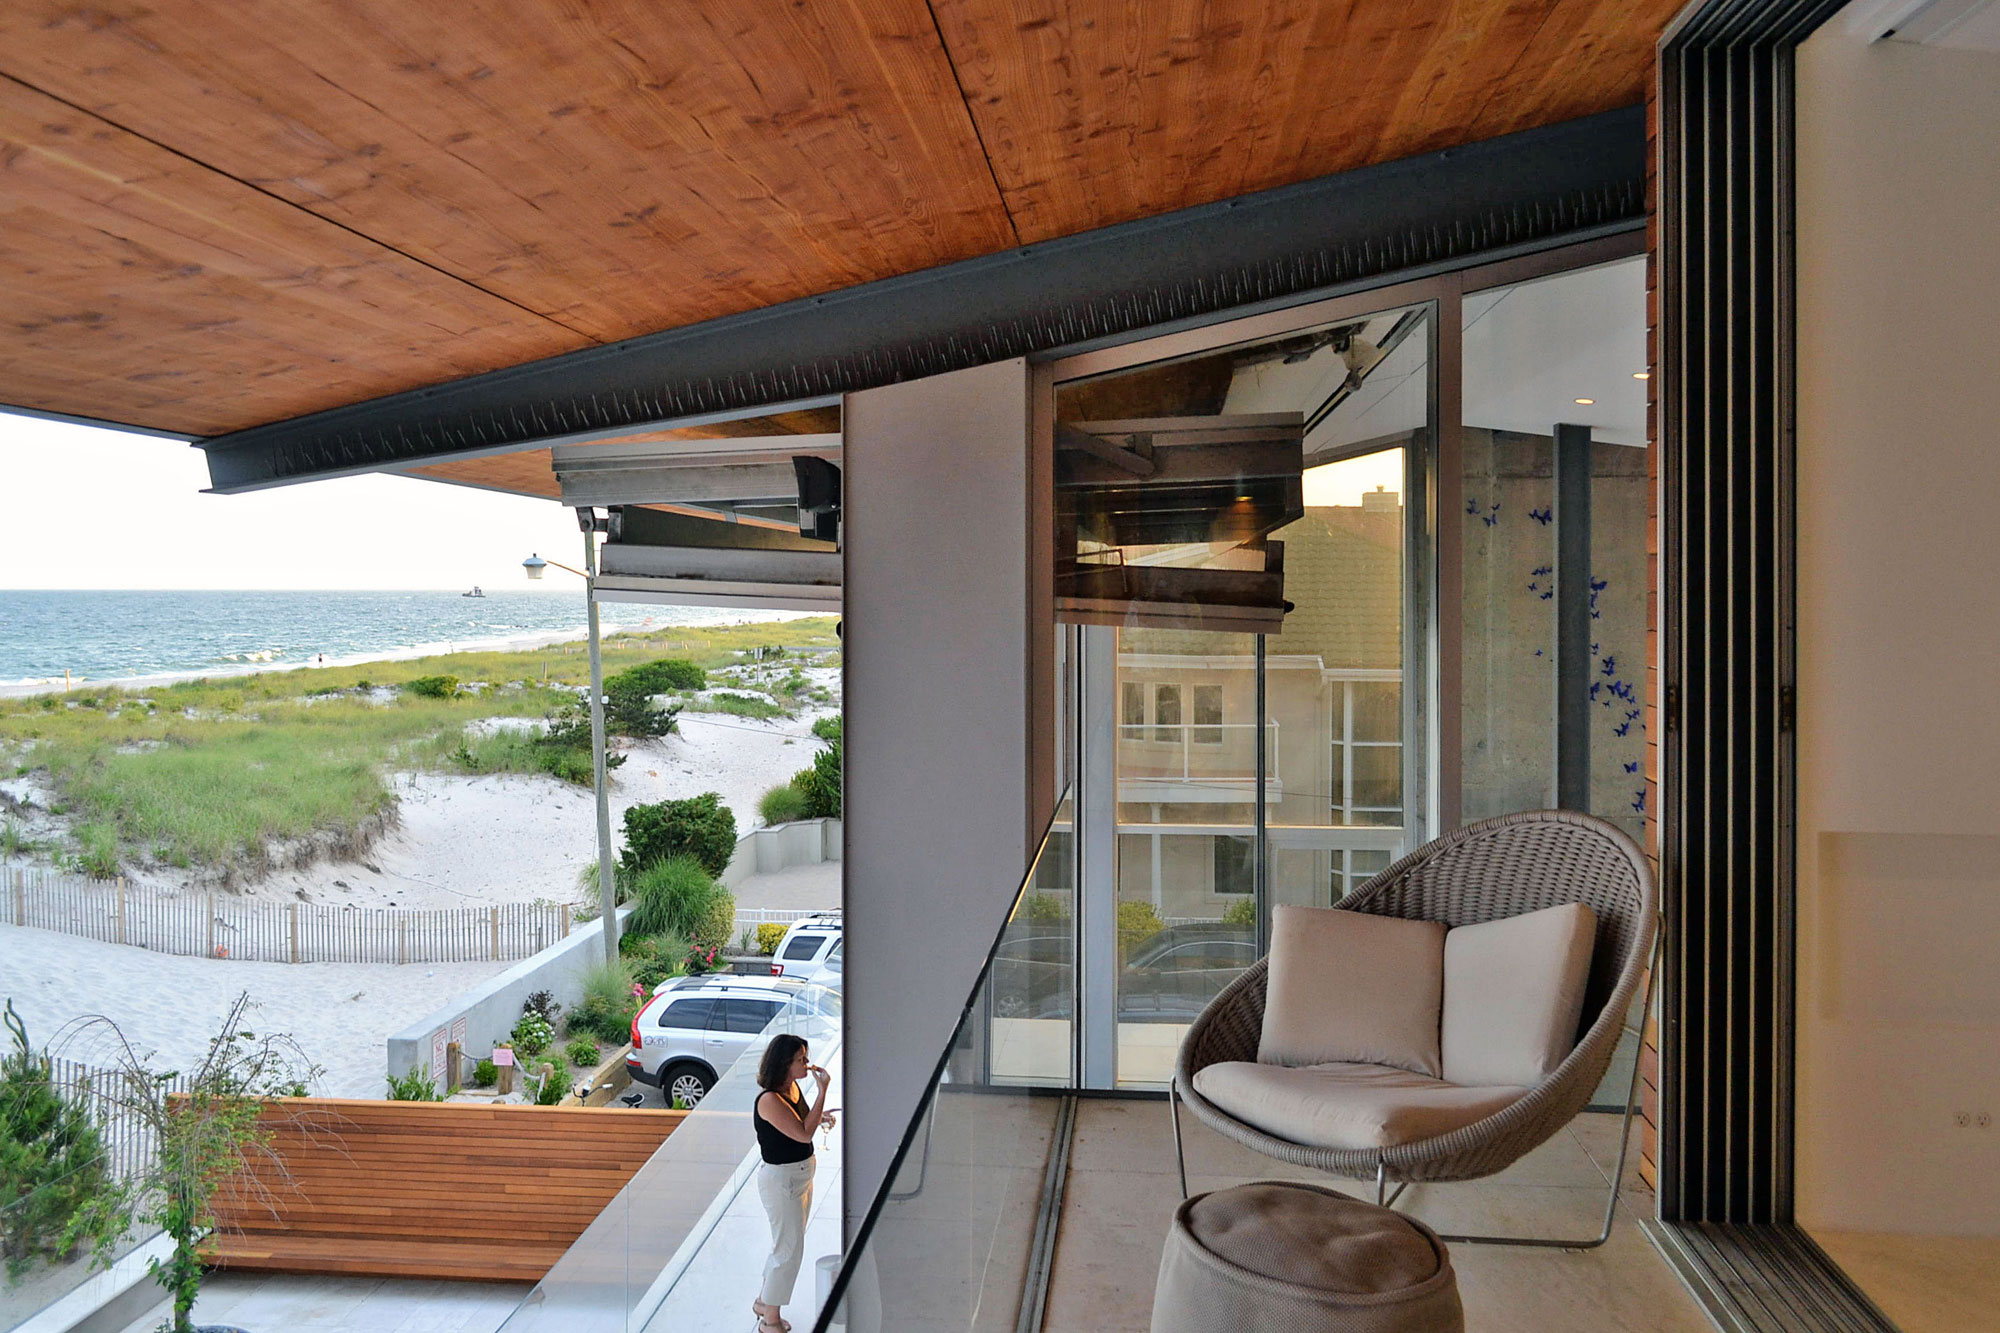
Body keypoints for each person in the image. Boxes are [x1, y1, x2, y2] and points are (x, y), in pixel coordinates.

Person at [752, 1034, 833, 1333]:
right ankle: (769, 1319)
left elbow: (801, 1123)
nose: (807, 1064)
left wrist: (820, 1115)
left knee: (786, 1245)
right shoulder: (770, 1099)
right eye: (801, 1059)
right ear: (784, 1063)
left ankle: (764, 1301)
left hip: (799, 1174)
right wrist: (823, 1091)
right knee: (788, 1249)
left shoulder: (793, 1088)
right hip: (782, 1180)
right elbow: (802, 1134)